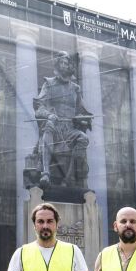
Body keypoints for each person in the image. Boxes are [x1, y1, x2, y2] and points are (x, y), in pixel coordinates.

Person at [32, 51, 92, 189]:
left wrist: (83, 119)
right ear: (57, 65)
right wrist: (49, 115)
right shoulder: (49, 83)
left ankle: (70, 176)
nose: (65, 66)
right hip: (54, 127)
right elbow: (38, 107)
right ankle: (45, 173)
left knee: (83, 138)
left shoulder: (75, 89)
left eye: (67, 63)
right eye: (62, 63)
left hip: (70, 130)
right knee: (49, 125)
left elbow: (81, 111)